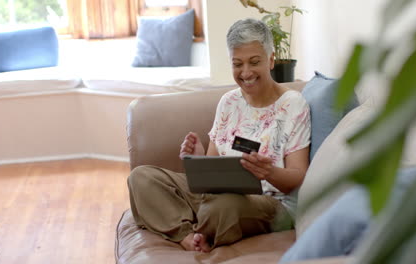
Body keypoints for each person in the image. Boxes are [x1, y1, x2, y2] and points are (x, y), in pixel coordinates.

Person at [127, 18, 311, 253]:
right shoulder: (229, 102)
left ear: (271, 59)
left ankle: (190, 224)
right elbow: (211, 177)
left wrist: (269, 172)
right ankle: (188, 236)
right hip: (215, 197)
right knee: (141, 178)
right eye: (237, 64)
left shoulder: (294, 105)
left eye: (254, 62)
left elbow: (298, 176)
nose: (246, 73)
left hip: (265, 201)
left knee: (223, 205)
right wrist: (199, 160)